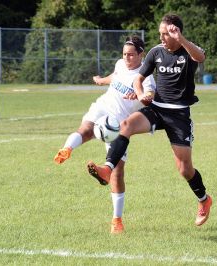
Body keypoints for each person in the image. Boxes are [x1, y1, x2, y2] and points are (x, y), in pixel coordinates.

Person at [86, 14, 213, 227]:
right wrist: (140, 94)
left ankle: (204, 200)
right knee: (125, 125)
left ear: (177, 32)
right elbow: (139, 79)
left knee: (184, 168)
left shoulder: (188, 51)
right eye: (160, 33)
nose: (162, 37)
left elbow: (200, 57)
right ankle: (107, 169)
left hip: (179, 115)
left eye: (166, 33)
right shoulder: (156, 52)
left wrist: (180, 38)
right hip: (156, 109)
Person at [53, 35, 156, 234]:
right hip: (103, 107)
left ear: (141, 54)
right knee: (85, 130)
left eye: (131, 55)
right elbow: (115, 76)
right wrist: (102, 81)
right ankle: (66, 149)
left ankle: (117, 220)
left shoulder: (147, 76)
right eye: (125, 54)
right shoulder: (120, 63)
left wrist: (142, 96)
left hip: (119, 124)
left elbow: (150, 95)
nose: (127, 58)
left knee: (117, 172)